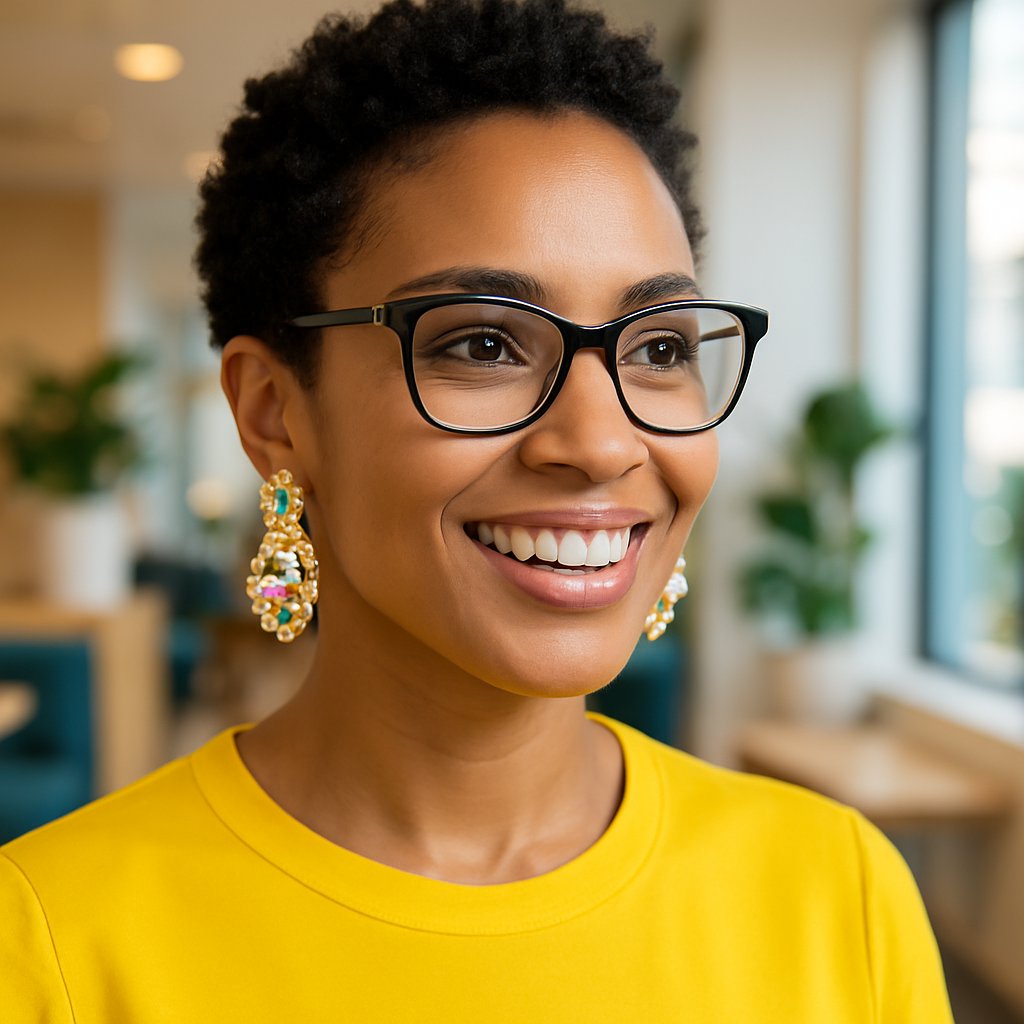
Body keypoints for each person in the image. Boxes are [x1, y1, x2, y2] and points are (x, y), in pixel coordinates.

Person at [1, 0, 954, 1019]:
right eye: (482, 344)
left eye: (659, 346)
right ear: (276, 414)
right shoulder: (54, 940)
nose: (599, 441)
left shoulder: (837, 896)